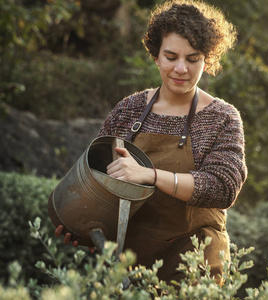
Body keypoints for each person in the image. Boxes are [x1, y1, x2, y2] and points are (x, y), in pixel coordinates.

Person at [55, 0, 247, 283]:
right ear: (155, 56)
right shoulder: (127, 111)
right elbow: (98, 183)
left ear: (207, 60)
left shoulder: (221, 118)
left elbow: (223, 188)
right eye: (171, 57)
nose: (181, 68)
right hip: (130, 263)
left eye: (192, 59)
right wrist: (85, 226)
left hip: (195, 261)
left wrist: (150, 175)